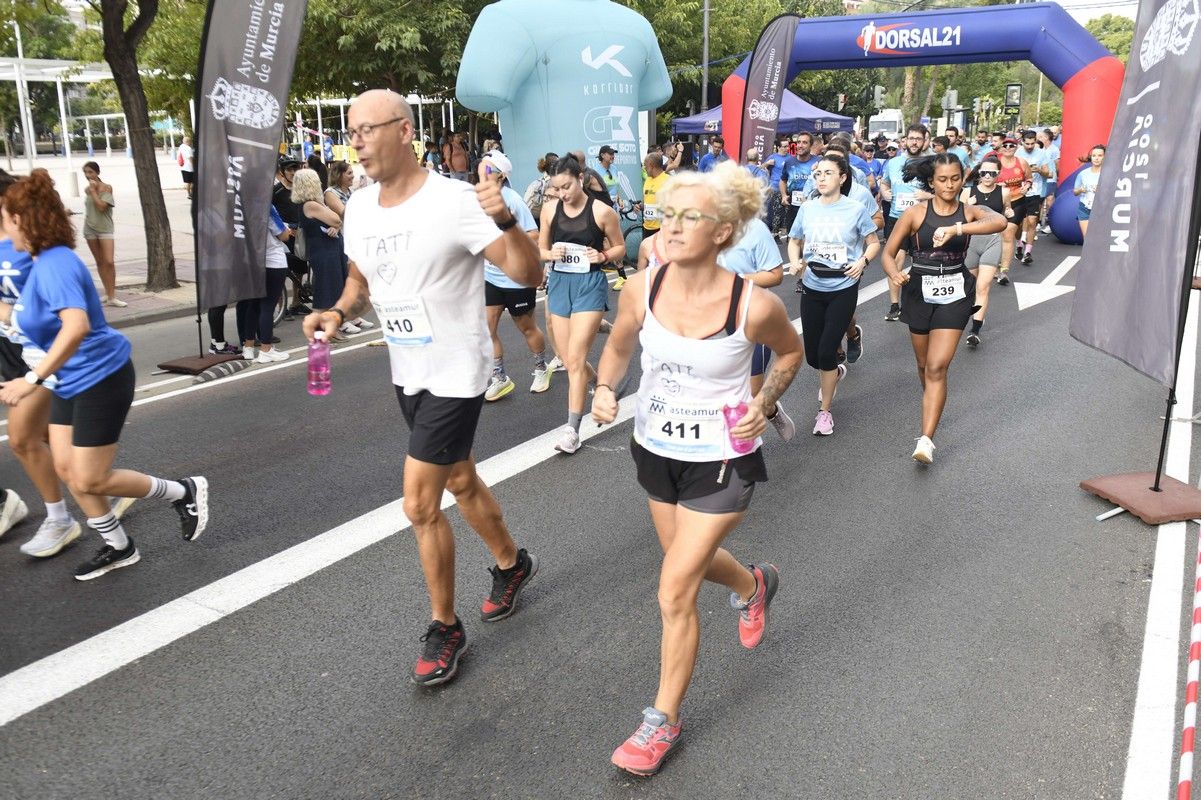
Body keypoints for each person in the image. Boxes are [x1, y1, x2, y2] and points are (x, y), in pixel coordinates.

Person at [303, 90, 543, 686]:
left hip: (458, 372)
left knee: (418, 502)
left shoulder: (456, 200)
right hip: (407, 370)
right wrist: (336, 311)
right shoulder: (357, 206)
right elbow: (359, 277)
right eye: (351, 131)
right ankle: (512, 564)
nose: (354, 140)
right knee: (459, 479)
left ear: (404, 130)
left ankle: (445, 627)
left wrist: (507, 220)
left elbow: (527, 273)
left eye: (365, 128)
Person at [591, 161, 803, 776]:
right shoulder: (641, 288)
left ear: (723, 231)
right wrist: (607, 387)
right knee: (692, 562)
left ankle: (661, 723)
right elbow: (622, 343)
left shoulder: (751, 306)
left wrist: (764, 405)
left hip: (722, 458)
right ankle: (752, 585)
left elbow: (791, 352)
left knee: (674, 587)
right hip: (656, 447)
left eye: (691, 217)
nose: (673, 226)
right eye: (667, 214)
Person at [0, 170, 208, 579]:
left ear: (23, 221)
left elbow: (75, 325)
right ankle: (119, 546)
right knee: (67, 468)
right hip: (69, 381)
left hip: (99, 378)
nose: (4, 230)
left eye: (6, 219)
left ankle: (183, 491)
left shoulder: (55, 264)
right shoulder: (40, 264)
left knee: (91, 478)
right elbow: (24, 319)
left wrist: (32, 379)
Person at [881, 155, 1005, 464]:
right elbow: (888, 253)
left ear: (962, 178)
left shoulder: (969, 211)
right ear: (932, 182)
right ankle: (932, 402)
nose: (949, 185)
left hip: (956, 292)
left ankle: (926, 439)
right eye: (942, 180)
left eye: (955, 178)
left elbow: (1000, 222)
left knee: (937, 366)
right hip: (918, 290)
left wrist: (958, 229)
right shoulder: (915, 213)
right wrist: (895, 274)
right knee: (924, 366)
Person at [787, 153, 880, 436]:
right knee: (814, 357)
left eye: (828, 173)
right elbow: (794, 239)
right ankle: (835, 373)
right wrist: (794, 260)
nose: (822, 178)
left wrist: (862, 262)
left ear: (842, 177)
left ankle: (824, 413)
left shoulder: (854, 209)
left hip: (843, 287)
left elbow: (873, 242)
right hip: (813, 286)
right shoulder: (809, 208)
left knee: (827, 351)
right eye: (818, 174)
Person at [539, 155, 625, 455]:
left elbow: (620, 248)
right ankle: (602, 383)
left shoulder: (601, 211)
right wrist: (551, 254)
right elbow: (541, 248)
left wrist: (601, 257)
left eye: (566, 186)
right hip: (560, 285)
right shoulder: (549, 210)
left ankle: (572, 431)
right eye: (556, 188)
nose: (562, 193)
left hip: (590, 285)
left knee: (575, 358)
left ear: (579, 178)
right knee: (566, 357)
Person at [478, 151, 552, 399]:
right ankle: (500, 377)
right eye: (481, 168)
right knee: (487, 328)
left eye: (487, 170)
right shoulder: (478, 201)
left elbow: (533, 235)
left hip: (516, 279)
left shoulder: (513, 200)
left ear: (500, 176)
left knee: (526, 327)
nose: (482, 173)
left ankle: (541, 368)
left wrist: (507, 240)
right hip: (490, 277)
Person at [716, 215, 795, 440]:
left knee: (753, 391)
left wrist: (735, 280)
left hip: (751, 318)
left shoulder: (754, 229)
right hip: (712, 320)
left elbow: (775, 275)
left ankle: (769, 410)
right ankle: (731, 454)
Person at [960, 157, 1013, 346]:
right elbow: (959, 217)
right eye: (984, 173)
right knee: (971, 287)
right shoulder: (967, 192)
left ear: (998, 174)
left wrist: (1009, 213)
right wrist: (969, 206)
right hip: (971, 243)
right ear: (979, 173)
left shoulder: (1004, 192)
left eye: (992, 173)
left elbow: (1007, 210)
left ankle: (975, 330)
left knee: (984, 286)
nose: (987, 176)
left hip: (993, 241)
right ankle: (978, 314)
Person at [879, 124, 928, 321]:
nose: (914, 142)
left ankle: (922, 301)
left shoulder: (930, 163)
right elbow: (884, 182)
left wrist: (927, 195)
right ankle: (894, 305)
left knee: (923, 262)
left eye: (918, 139)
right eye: (911, 138)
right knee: (894, 259)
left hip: (922, 219)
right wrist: (884, 192)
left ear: (924, 141)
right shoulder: (893, 163)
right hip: (896, 217)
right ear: (905, 140)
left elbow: (944, 192)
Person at [293, 168, 349, 336]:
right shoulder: (311, 204)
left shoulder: (312, 204)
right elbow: (336, 218)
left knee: (333, 289)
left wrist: (334, 226)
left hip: (326, 249)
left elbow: (333, 222)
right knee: (326, 291)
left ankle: (330, 329)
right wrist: (335, 224)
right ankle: (317, 329)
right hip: (324, 251)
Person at [239, 204, 292, 364]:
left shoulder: (238, 205)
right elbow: (283, 235)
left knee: (253, 304)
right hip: (272, 259)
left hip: (251, 260)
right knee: (268, 305)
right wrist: (287, 230)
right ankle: (266, 349)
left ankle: (248, 347)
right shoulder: (265, 206)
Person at [80, 162, 125, 309]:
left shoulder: (107, 188)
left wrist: (94, 191)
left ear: (98, 172)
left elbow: (101, 207)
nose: (88, 175)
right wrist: (91, 191)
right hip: (90, 228)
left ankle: (113, 296)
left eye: (91, 172)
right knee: (99, 261)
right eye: (86, 172)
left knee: (109, 261)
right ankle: (107, 293)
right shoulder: (87, 189)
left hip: (105, 228)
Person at [1016, 130, 1052, 265]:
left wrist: (1039, 170)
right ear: (1022, 142)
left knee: (1032, 222)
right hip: (1019, 192)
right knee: (1019, 224)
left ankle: (1028, 252)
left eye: (1032, 143)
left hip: (1035, 191)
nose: (1030, 146)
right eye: (1027, 144)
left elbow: (1048, 173)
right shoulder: (1017, 152)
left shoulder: (1042, 153)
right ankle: (1019, 243)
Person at [762, 139, 799, 238]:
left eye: (788, 146)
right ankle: (775, 234)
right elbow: (760, 168)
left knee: (788, 211)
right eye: (784, 146)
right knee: (777, 212)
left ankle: (788, 233)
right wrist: (767, 164)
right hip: (775, 187)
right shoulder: (773, 157)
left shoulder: (791, 158)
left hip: (788, 187)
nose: (787, 148)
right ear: (778, 147)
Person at [1073, 145, 1105, 238]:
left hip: (1102, 208)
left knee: (1100, 237)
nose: (1096, 158)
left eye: (1100, 155)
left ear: (1104, 157)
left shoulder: (1108, 173)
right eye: (1094, 155)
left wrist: (1101, 190)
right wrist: (1080, 189)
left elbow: (1114, 192)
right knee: (1087, 238)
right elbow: (1075, 192)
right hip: (1085, 207)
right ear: (1091, 157)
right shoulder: (1083, 174)